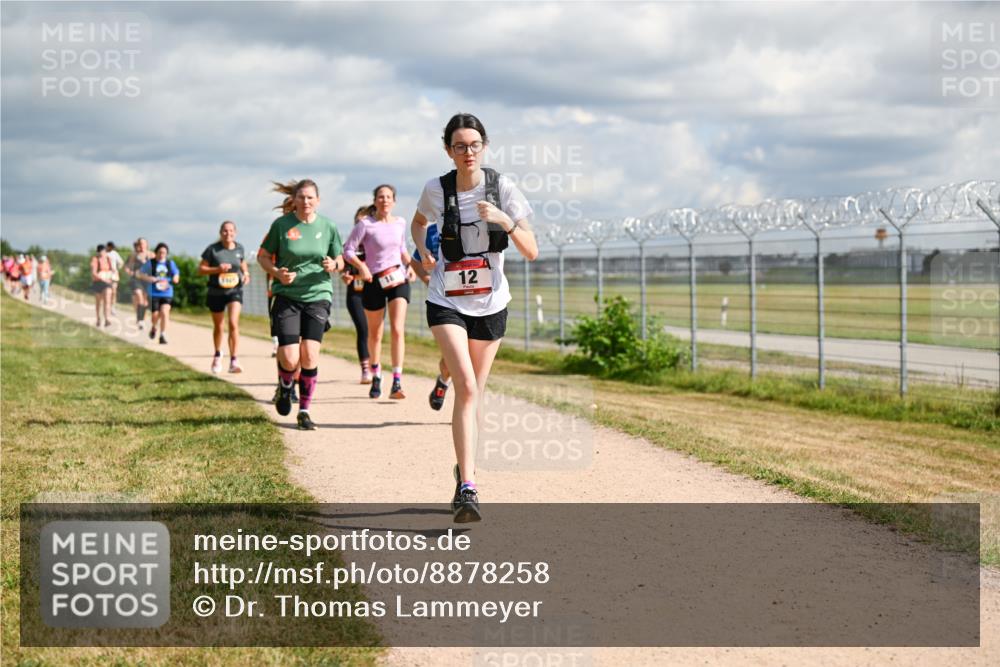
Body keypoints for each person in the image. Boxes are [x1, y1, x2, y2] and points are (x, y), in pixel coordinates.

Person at [412, 113, 538, 523]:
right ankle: (468, 486)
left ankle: (464, 471)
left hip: (491, 302)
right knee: (465, 385)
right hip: (446, 297)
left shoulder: (503, 188)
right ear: (448, 150)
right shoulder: (436, 189)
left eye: (474, 145)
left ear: (484, 146)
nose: (468, 152)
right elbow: (418, 223)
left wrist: (504, 221)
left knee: (474, 392)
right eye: (459, 146)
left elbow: (532, 249)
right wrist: (424, 252)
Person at [258, 179, 344, 431]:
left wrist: (334, 265)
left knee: (310, 355)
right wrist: (277, 273)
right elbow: (263, 256)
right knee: (289, 356)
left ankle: (304, 410)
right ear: (293, 200)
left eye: (310, 198)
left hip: (318, 294)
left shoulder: (328, 226)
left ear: (318, 200)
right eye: (301, 197)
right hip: (287, 295)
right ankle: (285, 386)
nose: (306, 202)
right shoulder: (282, 226)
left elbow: (339, 258)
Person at [344, 185, 412, 399]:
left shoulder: (400, 223)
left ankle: (397, 381)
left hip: (397, 279)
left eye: (389, 197)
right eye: (381, 197)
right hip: (373, 280)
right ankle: (376, 374)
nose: (384, 200)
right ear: (375, 200)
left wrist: (412, 267)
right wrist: (361, 267)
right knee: (375, 333)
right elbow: (348, 249)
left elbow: (402, 249)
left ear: (394, 201)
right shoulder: (366, 225)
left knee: (398, 330)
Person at [410, 223, 453, 411]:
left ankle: (466, 410)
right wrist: (427, 279)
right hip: (446, 302)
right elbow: (415, 261)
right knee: (453, 358)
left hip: (479, 303)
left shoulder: (478, 222)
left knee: (473, 362)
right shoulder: (433, 231)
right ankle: (444, 380)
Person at [199, 221, 250, 374]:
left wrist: (246, 273)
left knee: (233, 323)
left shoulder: (239, 248)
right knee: (219, 326)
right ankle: (217, 354)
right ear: (220, 232)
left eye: (231, 231)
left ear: (235, 232)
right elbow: (201, 269)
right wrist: (217, 269)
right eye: (225, 231)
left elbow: (242, 263)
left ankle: (234, 360)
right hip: (216, 291)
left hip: (235, 290)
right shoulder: (212, 250)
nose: (228, 234)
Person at [341, 205, 373, 384]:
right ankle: (365, 369)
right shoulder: (349, 247)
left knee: (374, 332)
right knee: (363, 329)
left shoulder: (374, 245)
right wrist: (346, 276)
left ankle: (375, 365)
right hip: (355, 294)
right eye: (358, 222)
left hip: (374, 292)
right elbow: (343, 269)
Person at [139, 243, 180, 344]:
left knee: (165, 312)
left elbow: (176, 275)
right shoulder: (150, 263)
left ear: (166, 254)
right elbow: (140, 274)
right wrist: (149, 278)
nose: (162, 254)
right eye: (160, 252)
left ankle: (163, 335)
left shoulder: (170, 264)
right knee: (155, 315)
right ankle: (154, 327)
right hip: (153, 293)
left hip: (167, 293)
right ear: (156, 253)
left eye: (164, 253)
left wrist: (175, 279)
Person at [124, 238, 151, 330]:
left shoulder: (151, 255)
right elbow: (127, 266)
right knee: (139, 297)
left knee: (145, 301)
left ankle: (142, 318)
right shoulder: (134, 255)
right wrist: (130, 272)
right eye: (140, 244)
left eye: (144, 243)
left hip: (147, 280)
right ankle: (140, 320)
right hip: (136, 279)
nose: (142, 245)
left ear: (147, 244)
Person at [90, 245, 115, 326]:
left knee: (107, 300)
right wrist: (102, 278)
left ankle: (107, 319)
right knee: (98, 302)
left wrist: (112, 275)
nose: (103, 253)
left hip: (107, 282)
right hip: (98, 282)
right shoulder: (95, 259)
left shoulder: (109, 259)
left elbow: (112, 270)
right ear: (98, 252)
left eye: (104, 251)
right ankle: (98, 318)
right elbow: (94, 273)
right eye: (101, 251)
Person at [106, 241, 124, 314]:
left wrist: (117, 269)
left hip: (113, 275)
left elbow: (121, 262)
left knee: (114, 291)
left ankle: (113, 307)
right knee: (106, 291)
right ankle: (106, 306)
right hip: (105, 274)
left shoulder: (114, 254)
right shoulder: (104, 253)